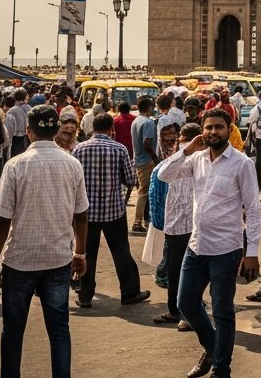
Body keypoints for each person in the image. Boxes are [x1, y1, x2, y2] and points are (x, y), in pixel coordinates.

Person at [0, 104, 90, 378]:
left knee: (13, 331)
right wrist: (80, 253)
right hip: (58, 259)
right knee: (59, 330)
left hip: (20, 260)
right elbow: (81, 215)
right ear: (56, 130)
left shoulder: (15, 165)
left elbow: (1, 221)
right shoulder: (72, 163)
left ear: (28, 131)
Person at [157, 108, 261, 378]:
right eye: (209, 127)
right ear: (202, 130)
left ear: (229, 129)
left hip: (226, 248)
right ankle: (213, 348)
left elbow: (252, 209)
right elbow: (163, 175)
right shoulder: (197, 159)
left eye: (219, 127)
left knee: (223, 310)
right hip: (197, 244)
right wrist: (187, 149)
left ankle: (220, 369)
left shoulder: (242, 163)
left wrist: (252, 252)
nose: (213, 132)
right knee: (185, 303)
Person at [72, 112, 150, 308]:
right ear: (111, 129)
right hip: (114, 211)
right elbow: (131, 179)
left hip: (85, 213)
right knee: (121, 252)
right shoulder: (119, 149)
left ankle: (85, 296)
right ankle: (130, 292)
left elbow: (72, 180)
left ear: (92, 128)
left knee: (85, 253)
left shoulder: (79, 149)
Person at [150, 118, 192, 327]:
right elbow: (160, 178)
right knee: (178, 270)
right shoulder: (175, 160)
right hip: (177, 224)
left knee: (182, 270)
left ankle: (184, 312)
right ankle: (178, 311)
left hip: (187, 225)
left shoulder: (202, 161)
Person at [131, 94, 161, 233]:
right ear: (149, 107)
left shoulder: (136, 121)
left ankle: (144, 220)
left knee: (143, 191)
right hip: (146, 160)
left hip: (138, 159)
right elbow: (147, 142)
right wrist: (155, 158)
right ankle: (137, 221)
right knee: (144, 192)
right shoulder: (148, 122)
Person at [5, 88, 29, 157]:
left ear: (14, 98)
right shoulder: (30, 108)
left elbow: (8, 130)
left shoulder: (12, 111)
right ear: (25, 97)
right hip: (27, 138)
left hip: (15, 140)